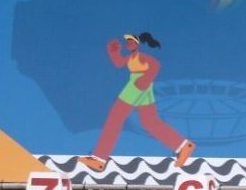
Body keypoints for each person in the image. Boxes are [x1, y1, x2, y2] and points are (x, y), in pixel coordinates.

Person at [79, 32, 195, 172]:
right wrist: (113, 52)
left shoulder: (142, 57)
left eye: (131, 42)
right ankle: (184, 146)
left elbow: (155, 65)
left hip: (136, 86)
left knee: (115, 118)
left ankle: (99, 159)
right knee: (149, 121)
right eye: (127, 42)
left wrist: (145, 79)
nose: (129, 44)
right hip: (139, 85)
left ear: (138, 44)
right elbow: (119, 63)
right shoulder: (130, 57)